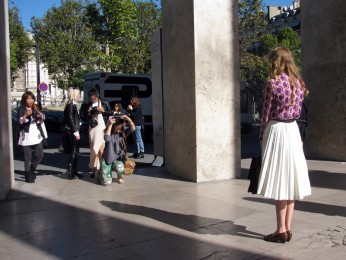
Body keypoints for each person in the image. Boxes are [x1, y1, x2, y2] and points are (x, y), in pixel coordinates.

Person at [257, 47, 311, 243]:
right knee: (291, 179)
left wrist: (262, 135)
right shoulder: (298, 83)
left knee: (280, 180)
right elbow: (299, 112)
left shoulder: (272, 83)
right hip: (293, 131)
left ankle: (280, 230)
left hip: (277, 130)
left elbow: (265, 113)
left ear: (276, 61)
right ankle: (287, 228)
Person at [17, 91, 47, 183]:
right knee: (27, 158)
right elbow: (20, 121)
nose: (30, 101)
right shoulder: (21, 109)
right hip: (26, 136)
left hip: (36, 134)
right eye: (28, 99)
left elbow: (43, 118)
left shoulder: (36, 107)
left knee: (39, 155)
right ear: (25, 99)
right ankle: (27, 175)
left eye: (32, 98)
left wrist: (40, 115)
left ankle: (32, 169)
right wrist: (26, 114)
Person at [102, 115, 135, 184]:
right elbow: (107, 138)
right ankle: (102, 174)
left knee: (121, 169)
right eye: (118, 125)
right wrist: (110, 124)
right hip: (107, 158)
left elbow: (133, 129)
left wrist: (128, 119)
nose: (119, 127)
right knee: (106, 182)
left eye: (121, 125)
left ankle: (119, 176)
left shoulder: (122, 133)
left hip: (118, 158)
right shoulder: (108, 131)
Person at [87, 88, 112, 178]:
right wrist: (89, 112)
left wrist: (103, 111)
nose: (92, 100)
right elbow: (85, 117)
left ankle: (100, 168)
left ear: (97, 96)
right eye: (91, 99)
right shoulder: (89, 104)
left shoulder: (104, 103)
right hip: (92, 128)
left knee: (99, 149)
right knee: (93, 149)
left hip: (101, 127)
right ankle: (95, 169)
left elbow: (111, 113)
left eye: (94, 99)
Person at [63, 87, 83, 179]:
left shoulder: (72, 104)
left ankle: (74, 171)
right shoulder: (71, 104)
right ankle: (71, 171)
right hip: (72, 131)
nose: (79, 95)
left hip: (73, 129)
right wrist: (75, 132)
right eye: (78, 93)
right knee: (74, 151)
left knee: (76, 151)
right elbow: (70, 119)